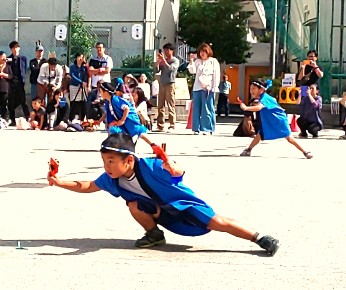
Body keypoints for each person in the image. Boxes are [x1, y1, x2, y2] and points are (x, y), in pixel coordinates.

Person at [47, 132, 280, 256]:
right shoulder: (112, 178)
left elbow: (178, 170)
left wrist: (172, 166)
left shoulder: (150, 166)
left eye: (111, 161)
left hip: (182, 204)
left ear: (129, 160)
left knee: (218, 222)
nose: (107, 166)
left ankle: (259, 238)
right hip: (160, 211)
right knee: (133, 206)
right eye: (104, 161)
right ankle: (154, 235)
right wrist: (59, 182)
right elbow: (87, 185)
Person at [239, 79, 313, 159]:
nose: (251, 91)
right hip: (271, 121)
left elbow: (259, 107)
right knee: (260, 135)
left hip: (279, 120)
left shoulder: (265, 98)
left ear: (261, 89)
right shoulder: (262, 98)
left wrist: (246, 108)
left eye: (253, 88)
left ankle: (305, 152)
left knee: (289, 138)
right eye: (250, 89)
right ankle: (248, 149)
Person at [98, 81, 153, 146]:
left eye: (101, 91)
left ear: (106, 92)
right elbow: (107, 113)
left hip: (130, 117)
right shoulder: (108, 101)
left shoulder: (115, 100)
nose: (100, 93)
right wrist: (99, 121)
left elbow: (126, 108)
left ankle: (153, 145)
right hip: (122, 119)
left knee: (138, 131)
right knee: (113, 129)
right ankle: (113, 145)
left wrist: (122, 120)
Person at [187, 43, 220, 135]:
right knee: (196, 108)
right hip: (197, 87)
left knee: (207, 108)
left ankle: (207, 128)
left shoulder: (213, 61)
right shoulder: (197, 61)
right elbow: (192, 71)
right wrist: (191, 61)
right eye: (201, 51)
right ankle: (196, 128)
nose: (202, 54)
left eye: (204, 52)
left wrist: (214, 87)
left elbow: (216, 75)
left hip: (209, 88)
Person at [155, 43, 179, 132]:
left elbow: (170, 69)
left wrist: (163, 61)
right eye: (164, 50)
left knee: (170, 104)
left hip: (170, 83)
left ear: (171, 51)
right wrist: (158, 63)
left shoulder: (175, 60)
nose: (165, 52)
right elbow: (156, 70)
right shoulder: (163, 60)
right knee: (160, 105)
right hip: (162, 83)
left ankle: (172, 125)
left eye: (167, 50)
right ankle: (160, 125)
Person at [7, 41, 30, 126]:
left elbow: (24, 70)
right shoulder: (9, 59)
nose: (15, 49)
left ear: (19, 48)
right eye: (13, 48)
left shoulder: (23, 58)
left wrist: (24, 80)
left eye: (17, 47)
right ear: (11, 49)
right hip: (11, 83)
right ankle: (12, 120)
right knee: (11, 102)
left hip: (20, 83)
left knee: (23, 101)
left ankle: (28, 118)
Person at [69, 52, 88, 121]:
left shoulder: (84, 68)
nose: (80, 58)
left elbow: (86, 75)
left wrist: (84, 82)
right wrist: (80, 82)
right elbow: (72, 75)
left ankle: (82, 118)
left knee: (83, 102)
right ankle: (71, 118)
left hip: (83, 86)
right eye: (79, 57)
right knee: (74, 102)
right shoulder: (72, 67)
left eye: (82, 57)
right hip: (74, 86)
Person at [0, 51, 13, 122]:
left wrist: (3, 74)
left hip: (4, 88)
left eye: (5, 56)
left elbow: (10, 76)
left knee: (4, 104)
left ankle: (3, 119)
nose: (4, 58)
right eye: (2, 56)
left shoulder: (8, 66)